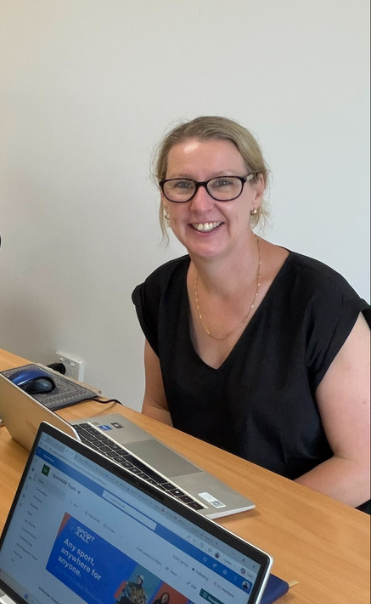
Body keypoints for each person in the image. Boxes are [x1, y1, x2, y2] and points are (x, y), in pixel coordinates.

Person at [133, 116, 370, 511]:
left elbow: (362, 466)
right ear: (164, 196)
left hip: (311, 527)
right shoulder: (163, 291)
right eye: (182, 184)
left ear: (256, 191)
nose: (200, 203)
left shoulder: (320, 300)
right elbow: (159, 410)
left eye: (224, 183)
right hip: (209, 516)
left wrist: (247, 523)